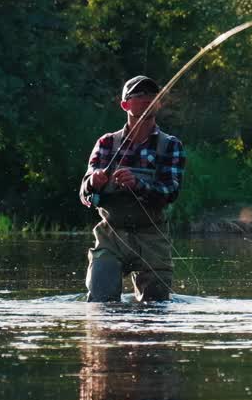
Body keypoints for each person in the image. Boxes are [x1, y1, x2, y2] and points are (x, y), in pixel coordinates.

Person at [79, 75, 186, 302]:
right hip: (112, 235)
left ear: (159, 103)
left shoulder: (171, 145)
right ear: (125, 104)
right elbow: (85, 195)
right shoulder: (106, 143)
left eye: (151, 96)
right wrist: (93, 183)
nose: (147, 100)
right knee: (101, 305)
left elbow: (171, 192)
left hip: (152, 236)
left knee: (156, 311)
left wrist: (138, 185)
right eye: (139, 96)